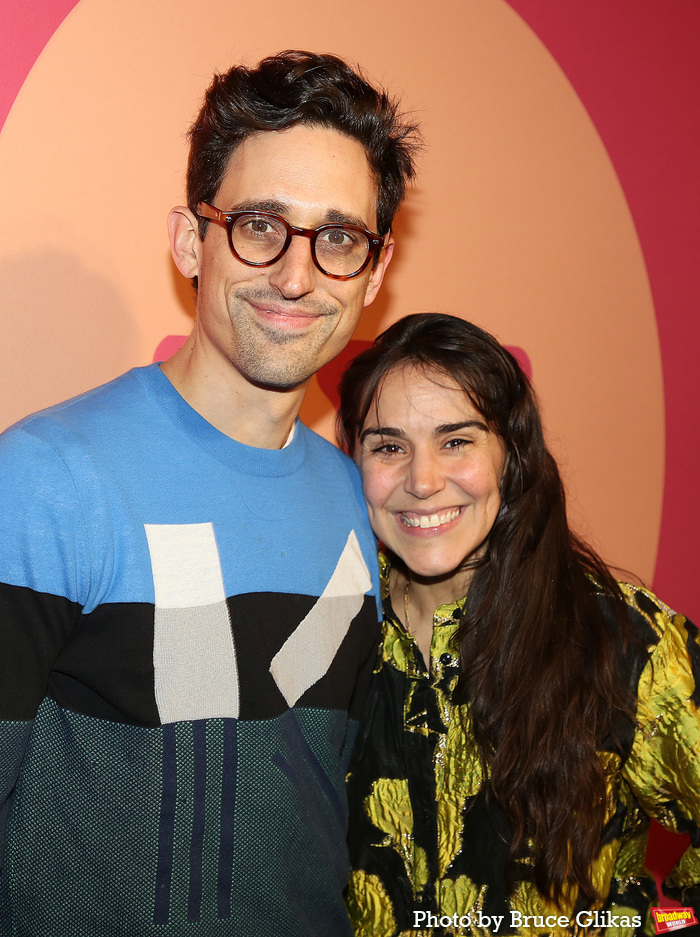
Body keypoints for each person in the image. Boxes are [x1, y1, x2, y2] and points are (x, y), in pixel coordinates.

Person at [0, 51, 419, 936]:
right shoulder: (45, 481)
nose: (298, 276)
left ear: (374, 275)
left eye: (339, 238)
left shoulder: (360, 501)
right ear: (193, 241)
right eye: (261, 224)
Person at [337, 313, 700, 937]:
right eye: (389, 447)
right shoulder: (326, 627)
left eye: (456, 441)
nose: (423, 482)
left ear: (512, 453)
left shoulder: (623, 638)